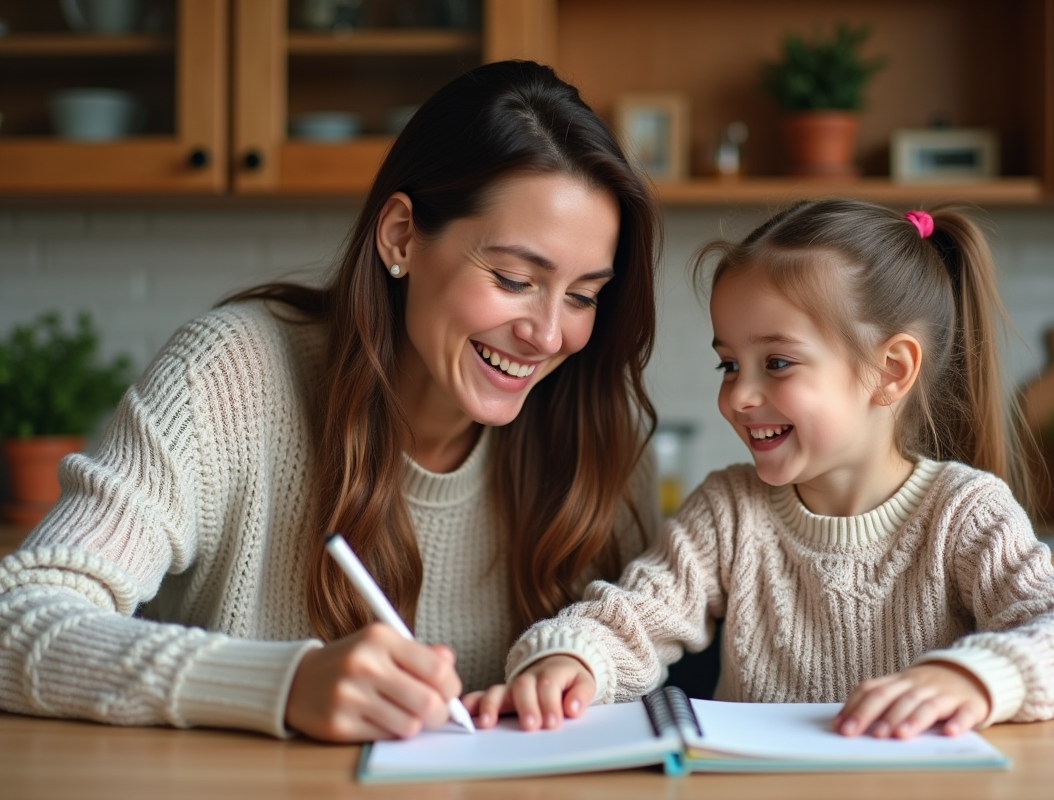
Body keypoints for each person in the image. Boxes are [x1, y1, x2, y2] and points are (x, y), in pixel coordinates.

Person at [0, 61, 662, 742]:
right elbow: (16, 620)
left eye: (583, 295)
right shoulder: (229, 376)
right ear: (401, 236)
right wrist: (283, 685)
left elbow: (647, 655)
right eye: (515, 278)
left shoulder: (595, 434)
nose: (549, 334)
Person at [470, 199, 1054, 739]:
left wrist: (978, 679)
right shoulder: (729, 510)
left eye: (776, 363)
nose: (738, 396)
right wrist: (568, 658)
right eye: (730, 363)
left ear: (890, 371)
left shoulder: (963, 512)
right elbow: (633, 618)